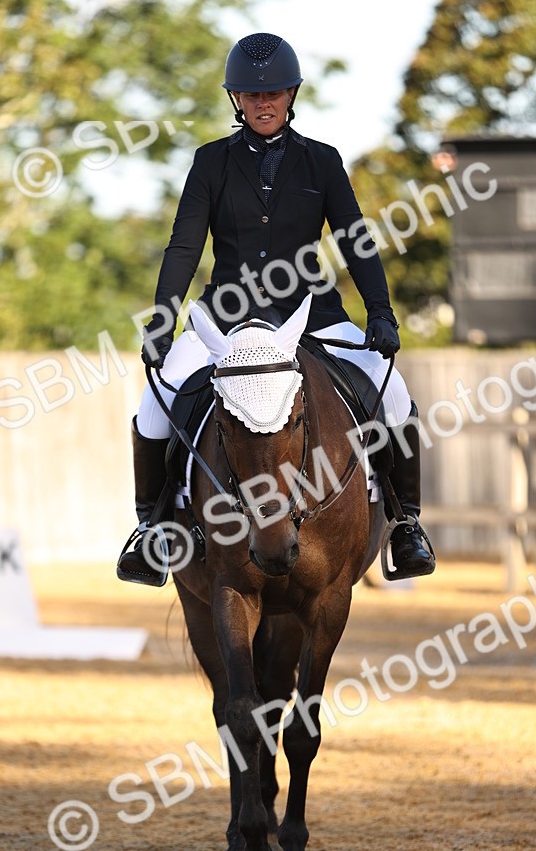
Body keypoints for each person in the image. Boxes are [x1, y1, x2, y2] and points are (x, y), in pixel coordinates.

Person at [118, 33, 435, 584]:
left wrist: (380, 311)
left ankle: (407, 524)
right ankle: (152, 531)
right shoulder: (210, 162)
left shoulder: (323, 162)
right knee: (154, 402)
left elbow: (356, 241)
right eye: (251, 95)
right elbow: (185, 247)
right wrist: (163, 318)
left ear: (291, 94)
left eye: (275, 94)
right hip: (225, 319)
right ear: (236, 99)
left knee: (396, 391)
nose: (264, 104)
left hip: (309, 315)